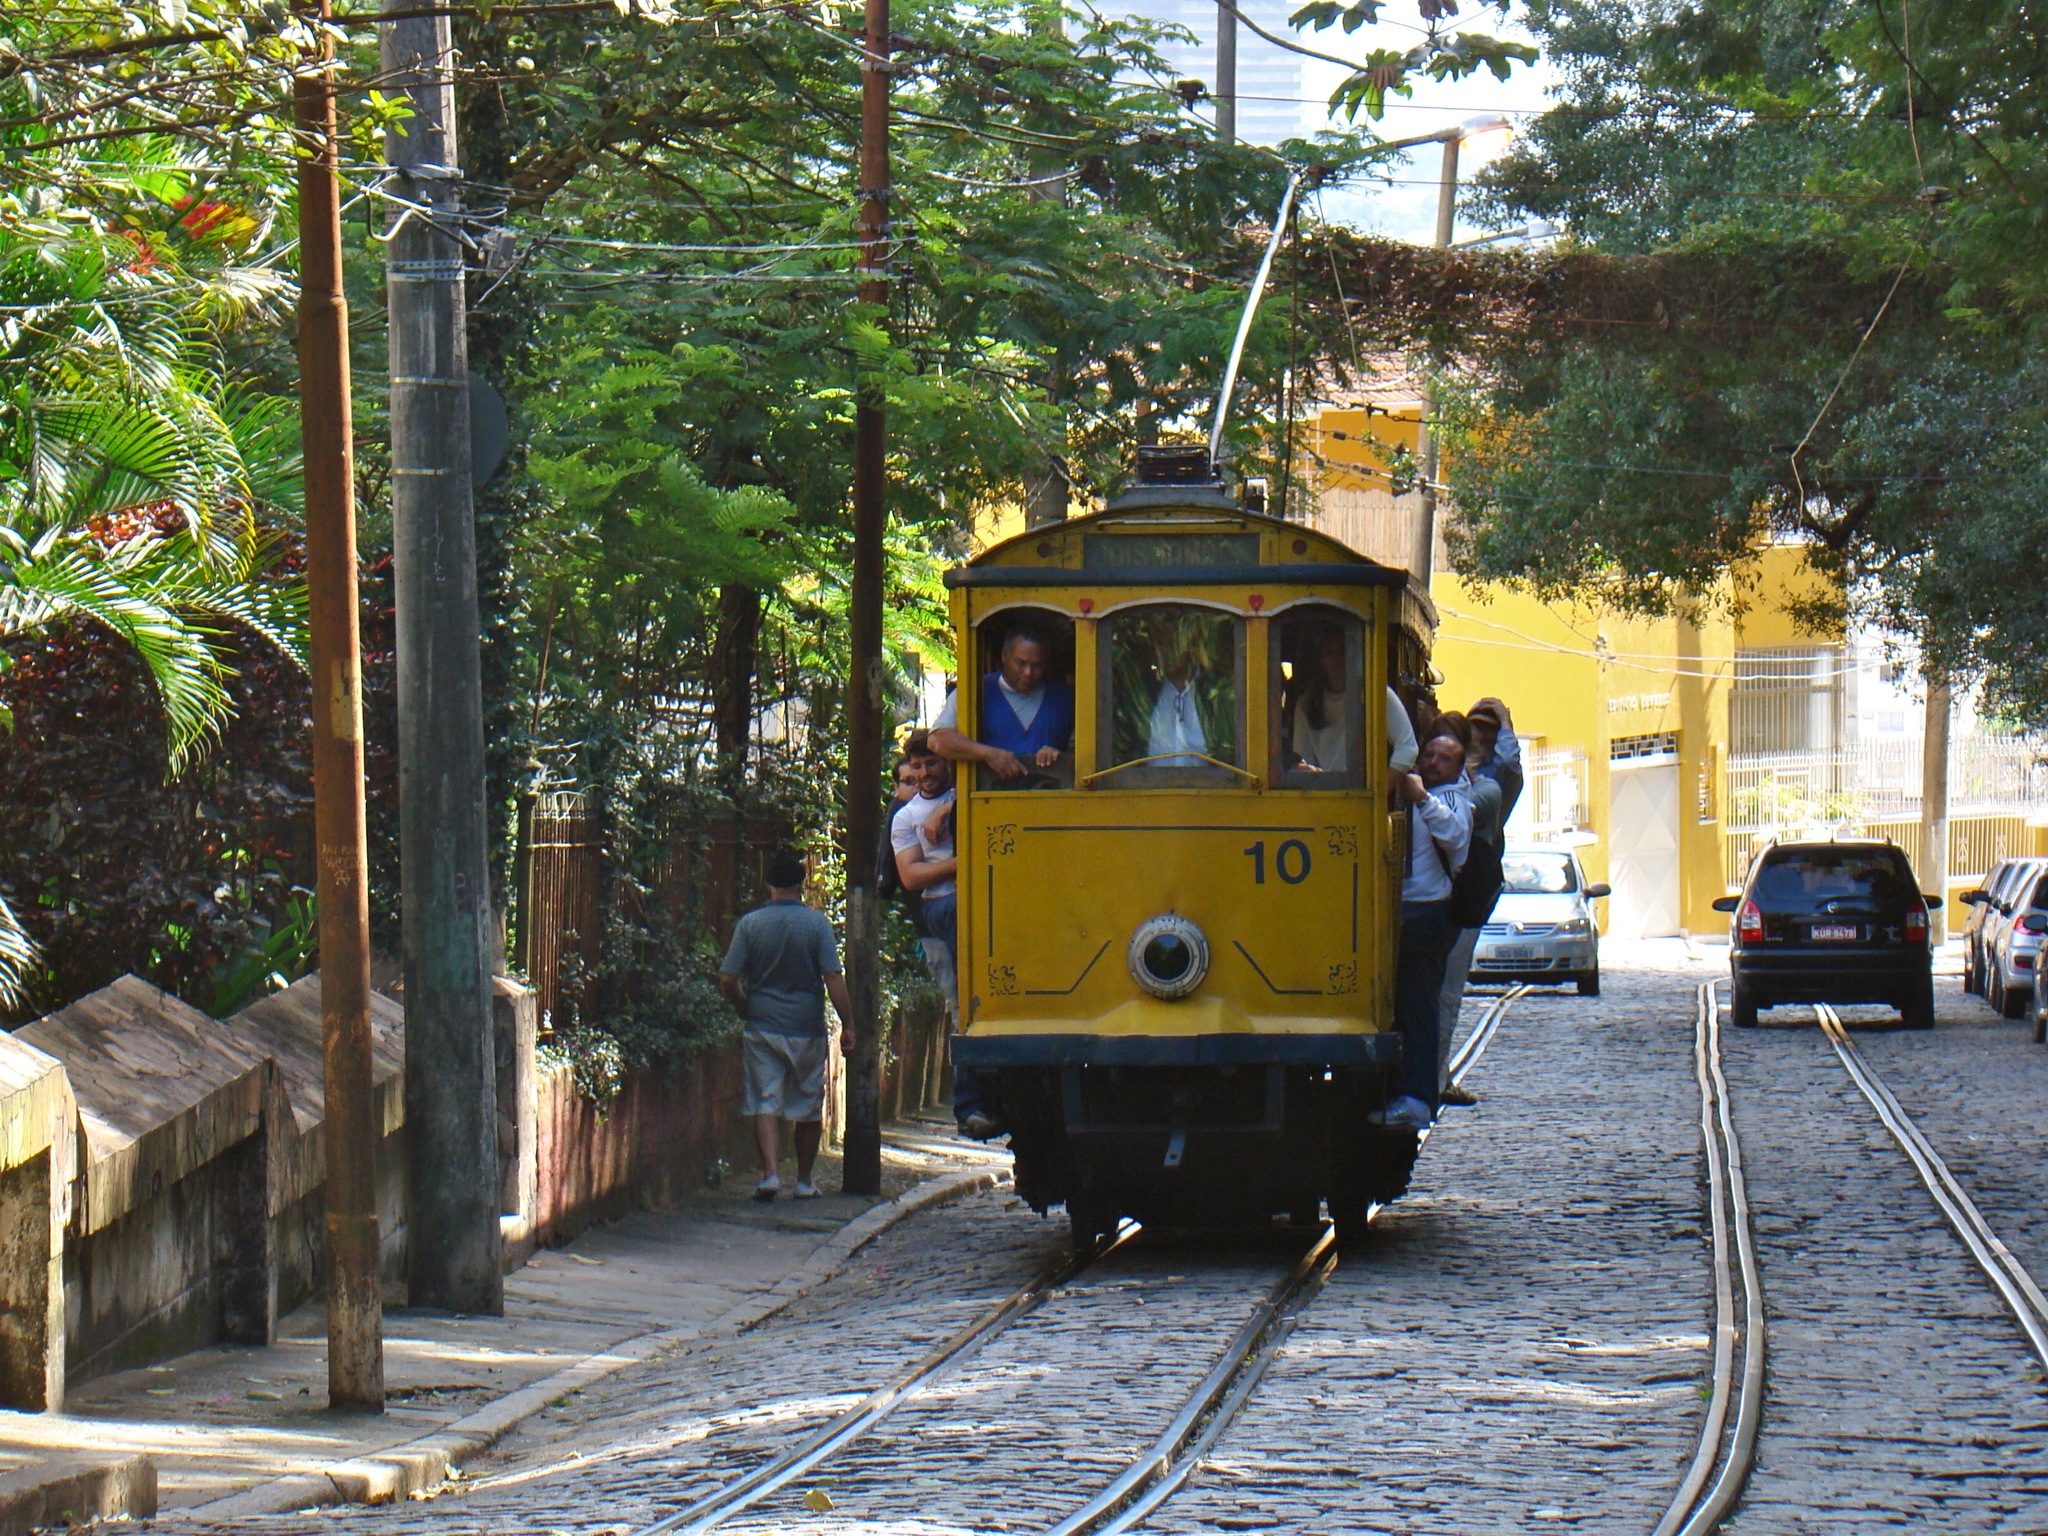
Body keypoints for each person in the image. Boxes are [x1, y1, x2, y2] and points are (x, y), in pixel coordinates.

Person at [719, 853, 855, 1202]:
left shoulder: (750, 925)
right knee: (809, 1102)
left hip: (761, 1024)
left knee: (765, 1097)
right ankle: (805, 1180)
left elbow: (728, 977)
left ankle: (769, 1176)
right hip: (805, 1027)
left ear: (768, 884)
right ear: (801, 885)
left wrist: (744, 1006)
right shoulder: (817, 925)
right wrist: (848, 1023)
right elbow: (833, 977)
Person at [891, 745, 998, 1139]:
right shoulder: (905, 818)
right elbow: (912, 877)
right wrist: (961, 861)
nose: (923, 773)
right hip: (946, 904)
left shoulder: (965, 794)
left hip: (983, 897)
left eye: (931, 763)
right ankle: (970, 1105)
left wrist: (947, 808)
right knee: (963, 1000)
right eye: (916, 766)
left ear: (947, 763)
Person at [1380, 732, 1473, 1131]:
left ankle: (1418, 1097)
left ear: (1457, 769)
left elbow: (1455, 837)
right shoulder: (1405, 790)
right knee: (1397, 1005)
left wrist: (1421, 797)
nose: (1434, 763)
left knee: (1418, 1005)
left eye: (1444, 759)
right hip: (1397, 911)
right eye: (1429, 755)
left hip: (1426, 913)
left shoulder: (1452, 799)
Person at [929, 628, 1074, 781]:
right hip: (987, 798)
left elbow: (1082, 752)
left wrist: (1059, 756)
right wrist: (989, 754)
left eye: (1037, 665)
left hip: (1052, 798)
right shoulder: (974, 691)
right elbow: (937, 741)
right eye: (1020, 663)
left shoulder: (1065, 697)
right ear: (1004, 656)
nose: (1028, 673)